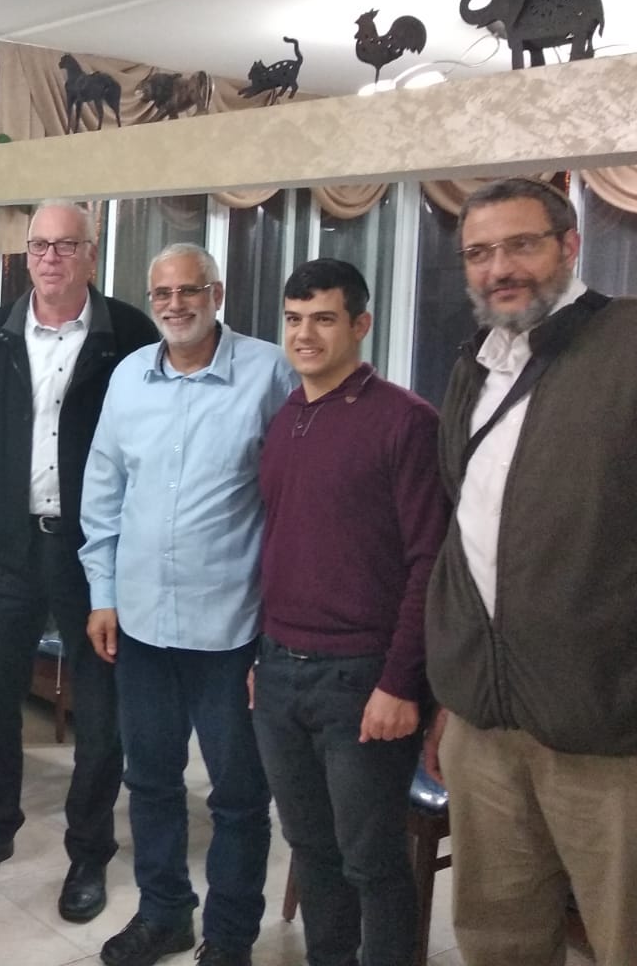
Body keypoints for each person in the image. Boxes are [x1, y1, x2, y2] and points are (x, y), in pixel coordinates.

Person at [423, 177, 637, 966]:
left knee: (633, 945)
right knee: (497, 941)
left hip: (620, 734)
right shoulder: (474, 366)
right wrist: (453, 687)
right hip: (485, 730)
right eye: (479, 253)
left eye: (521, 245)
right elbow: (464, 535)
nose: (499, 269)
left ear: (570, 245)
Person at [80, 243, 297, 966]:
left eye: (189, 290)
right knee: (149, 781)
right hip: (141, 625)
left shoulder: (269, 372)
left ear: (217, 293)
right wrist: (102, 594)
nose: (175, 305)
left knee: (238, 795)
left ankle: (229, 939)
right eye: (162, 293)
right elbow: (104, 489)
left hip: (232, 628)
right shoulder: (128, 378)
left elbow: (293, 498)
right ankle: (165, 913)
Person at [0, 200, 156, 925]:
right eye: (39, 246)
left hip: (93, 553)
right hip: (5, 548)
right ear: (25, 254)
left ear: (92, 253)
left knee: (100, 712)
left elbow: (148, 448)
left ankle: (88, 852)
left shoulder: (129, 334)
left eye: (66, 245)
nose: (51, 258)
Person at [250, 258, 448, 966]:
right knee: (311, 847)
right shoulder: (286, 419)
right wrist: (262, 653)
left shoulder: (406, 421)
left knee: (372, 861)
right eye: (294, 319)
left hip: (362, 681)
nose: (305, 335)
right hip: (279, 672)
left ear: (361, 325)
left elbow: (430, 563)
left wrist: (401, 683)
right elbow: (279, 544)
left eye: (324, 319)